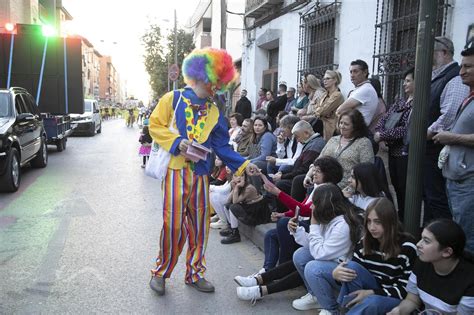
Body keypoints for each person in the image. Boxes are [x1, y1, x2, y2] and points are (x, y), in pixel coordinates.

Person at [148, 47, 259, 296]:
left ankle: (195, 273)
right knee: (173, 225)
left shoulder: (214, 110)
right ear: (201, 75)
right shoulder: (173, 98)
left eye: (220, 81)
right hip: (176, 172)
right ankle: (160, 272)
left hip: (200, 174)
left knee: (200, 226)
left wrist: (242, 164)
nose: (217, 87)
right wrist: (177, 143)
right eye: (215, 80)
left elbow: (220, 144)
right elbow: (155, 125)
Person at [234, 183, 361, 305]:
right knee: (300, 255)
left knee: (311, 266)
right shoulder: (329, 218)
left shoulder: (342, 225)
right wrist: (297, 231)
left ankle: (328, 306)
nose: (312, 208)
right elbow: (313, 246)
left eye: (315, 204)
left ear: (325, 204)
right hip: (329, 259)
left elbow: (319, 254)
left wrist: (314, 225)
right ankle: (259, 281)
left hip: (342, 269)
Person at [320, 198, 417, 315]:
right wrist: (337, 276)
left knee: (373, 301)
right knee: (349, 267)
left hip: (394, 299)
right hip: (370, 289)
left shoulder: (407, 246)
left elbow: (407, 291)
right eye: (369, 221)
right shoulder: (365, 241)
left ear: (390, 222)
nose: (372, 227)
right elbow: (353, 278)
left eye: (378, 222)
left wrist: (372, 293)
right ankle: (349, 309)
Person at [262, 156, 344, 272]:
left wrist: (278, 193)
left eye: (318, 171)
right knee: (271, 235)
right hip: (310, 225)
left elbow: (306, 210)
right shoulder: (317, 187)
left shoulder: (328, 191)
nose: (314, 173)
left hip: (320, 231)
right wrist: (283, 214)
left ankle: (283, 267)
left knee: (284, 224)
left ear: (328, 174)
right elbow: (301, 207)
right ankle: (267, 270)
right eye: (314, 170)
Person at [422, 36, 469, 224]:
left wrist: (425, 133)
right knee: (428, 197)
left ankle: (441, 242)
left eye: (431, 53)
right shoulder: (438, 75)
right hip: (430, 146)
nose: (427, 58)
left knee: (437, 199)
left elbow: (448, 115)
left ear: (444, 52)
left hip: (436, 147)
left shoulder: (454, 77)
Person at [433, 42, 474, 253]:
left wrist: (452, 137)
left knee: (467, 238)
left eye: (468, 67)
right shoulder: (468, 97)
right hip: (456, 178)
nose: (462, 72)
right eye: (462, 66)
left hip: (468, 181)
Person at [388, 219, 474, 315]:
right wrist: (399, 311)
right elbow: (412, 300)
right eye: (421, 238)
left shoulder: (469, 280)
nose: (418, 244)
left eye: (426, 241)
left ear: (447, 252)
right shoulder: (422, 262)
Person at [374, 68, 415, 221]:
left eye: (408, 81)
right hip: (393, 151)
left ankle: (407, 220)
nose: (405, 84)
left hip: (406, 154)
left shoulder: (417, 105)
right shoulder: (400, 103)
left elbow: (406, 130)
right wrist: (380, 132)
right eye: (404, 81)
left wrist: (382, 135)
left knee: (406, 190)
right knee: (397, 188)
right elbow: (383, 120)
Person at [306, 109, 374, 189]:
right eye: (341, 123)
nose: (342, 126)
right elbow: (318, 161)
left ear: (356, 126)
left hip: (346, 185)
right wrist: (308, 175)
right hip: (323, 181)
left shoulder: (364, 143)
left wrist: (350, 190)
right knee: (300, 181)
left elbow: (366, 171)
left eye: (346, 124)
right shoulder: (333, 139)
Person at [271, 120, 326, 212]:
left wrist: (283, 175)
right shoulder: (307, 142)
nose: (297, 140)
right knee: (270, 166)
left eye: (297, 137)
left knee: (281, 181)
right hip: (295, 169)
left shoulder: (314, 145)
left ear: (306, 133)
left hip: (302, 173)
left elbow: (301, 166)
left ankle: (290, 212)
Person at [225, 171, 271, 243]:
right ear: (232, 177)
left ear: (245, 177)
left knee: (233, 207)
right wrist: (234, 188)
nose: (239, 178)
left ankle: (235, 234)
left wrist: (236, 187)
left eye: (242, 175)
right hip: (249, 208)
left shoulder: (248, 188)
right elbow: (227, 201)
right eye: (236, 176)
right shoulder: (238, 186)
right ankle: (231, 228)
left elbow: (235, 201)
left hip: (256, 213)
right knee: (227, 206)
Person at [336, 59, 378, 127]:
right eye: (351, 72)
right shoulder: (361, 88)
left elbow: (340, 110)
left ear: (365, 72)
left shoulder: (366, 89)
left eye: (355, 71)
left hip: (357, 131)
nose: (352, 75)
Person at [315, 70, 344, 141]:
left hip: (330, 128)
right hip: (321, 125)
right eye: (324, 79)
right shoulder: (324, 94)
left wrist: (320, 112)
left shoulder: (337, 95)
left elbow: (323, 111)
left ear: (335, 80)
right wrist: (320, 111)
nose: (325, 81)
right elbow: (315, 109)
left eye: (328, 79)